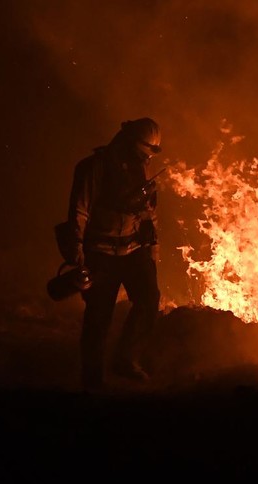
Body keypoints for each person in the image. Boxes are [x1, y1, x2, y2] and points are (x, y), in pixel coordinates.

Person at [65, 117, 163, 391]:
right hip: (100, 253)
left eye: (152, 151)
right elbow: (79, 210)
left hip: (133, 250)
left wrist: (152, 247)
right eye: (146, 149)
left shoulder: (141, 168)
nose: (148, 156)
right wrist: (76, 249)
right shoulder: (94, 167)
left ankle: (126, 359)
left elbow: (149, 213)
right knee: (98, 316)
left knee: (149, 299)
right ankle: (92, 380)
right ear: (129, 140)